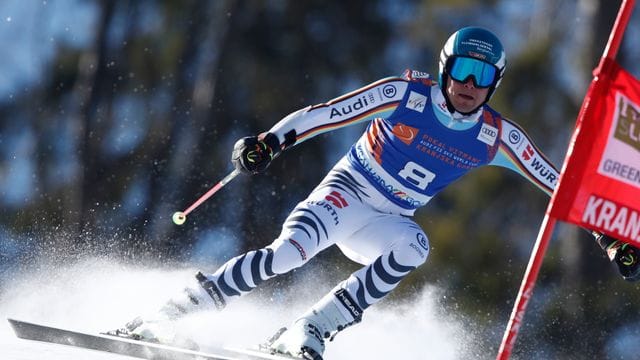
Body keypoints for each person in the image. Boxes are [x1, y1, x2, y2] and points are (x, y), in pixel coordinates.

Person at [109, 27, 640, 359]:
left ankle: (311, 330)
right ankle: (172, 313)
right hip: (348, 193)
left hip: (388, 219)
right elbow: (326, 114)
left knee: (414, 247)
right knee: (289, 255)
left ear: (493, 83)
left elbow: (563, 185)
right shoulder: (406, 95)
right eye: (462, 69)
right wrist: (271, 143)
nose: (469, 84)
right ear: (444, 68)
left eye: (482, 76)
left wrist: (611, 238)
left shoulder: (495, 136)